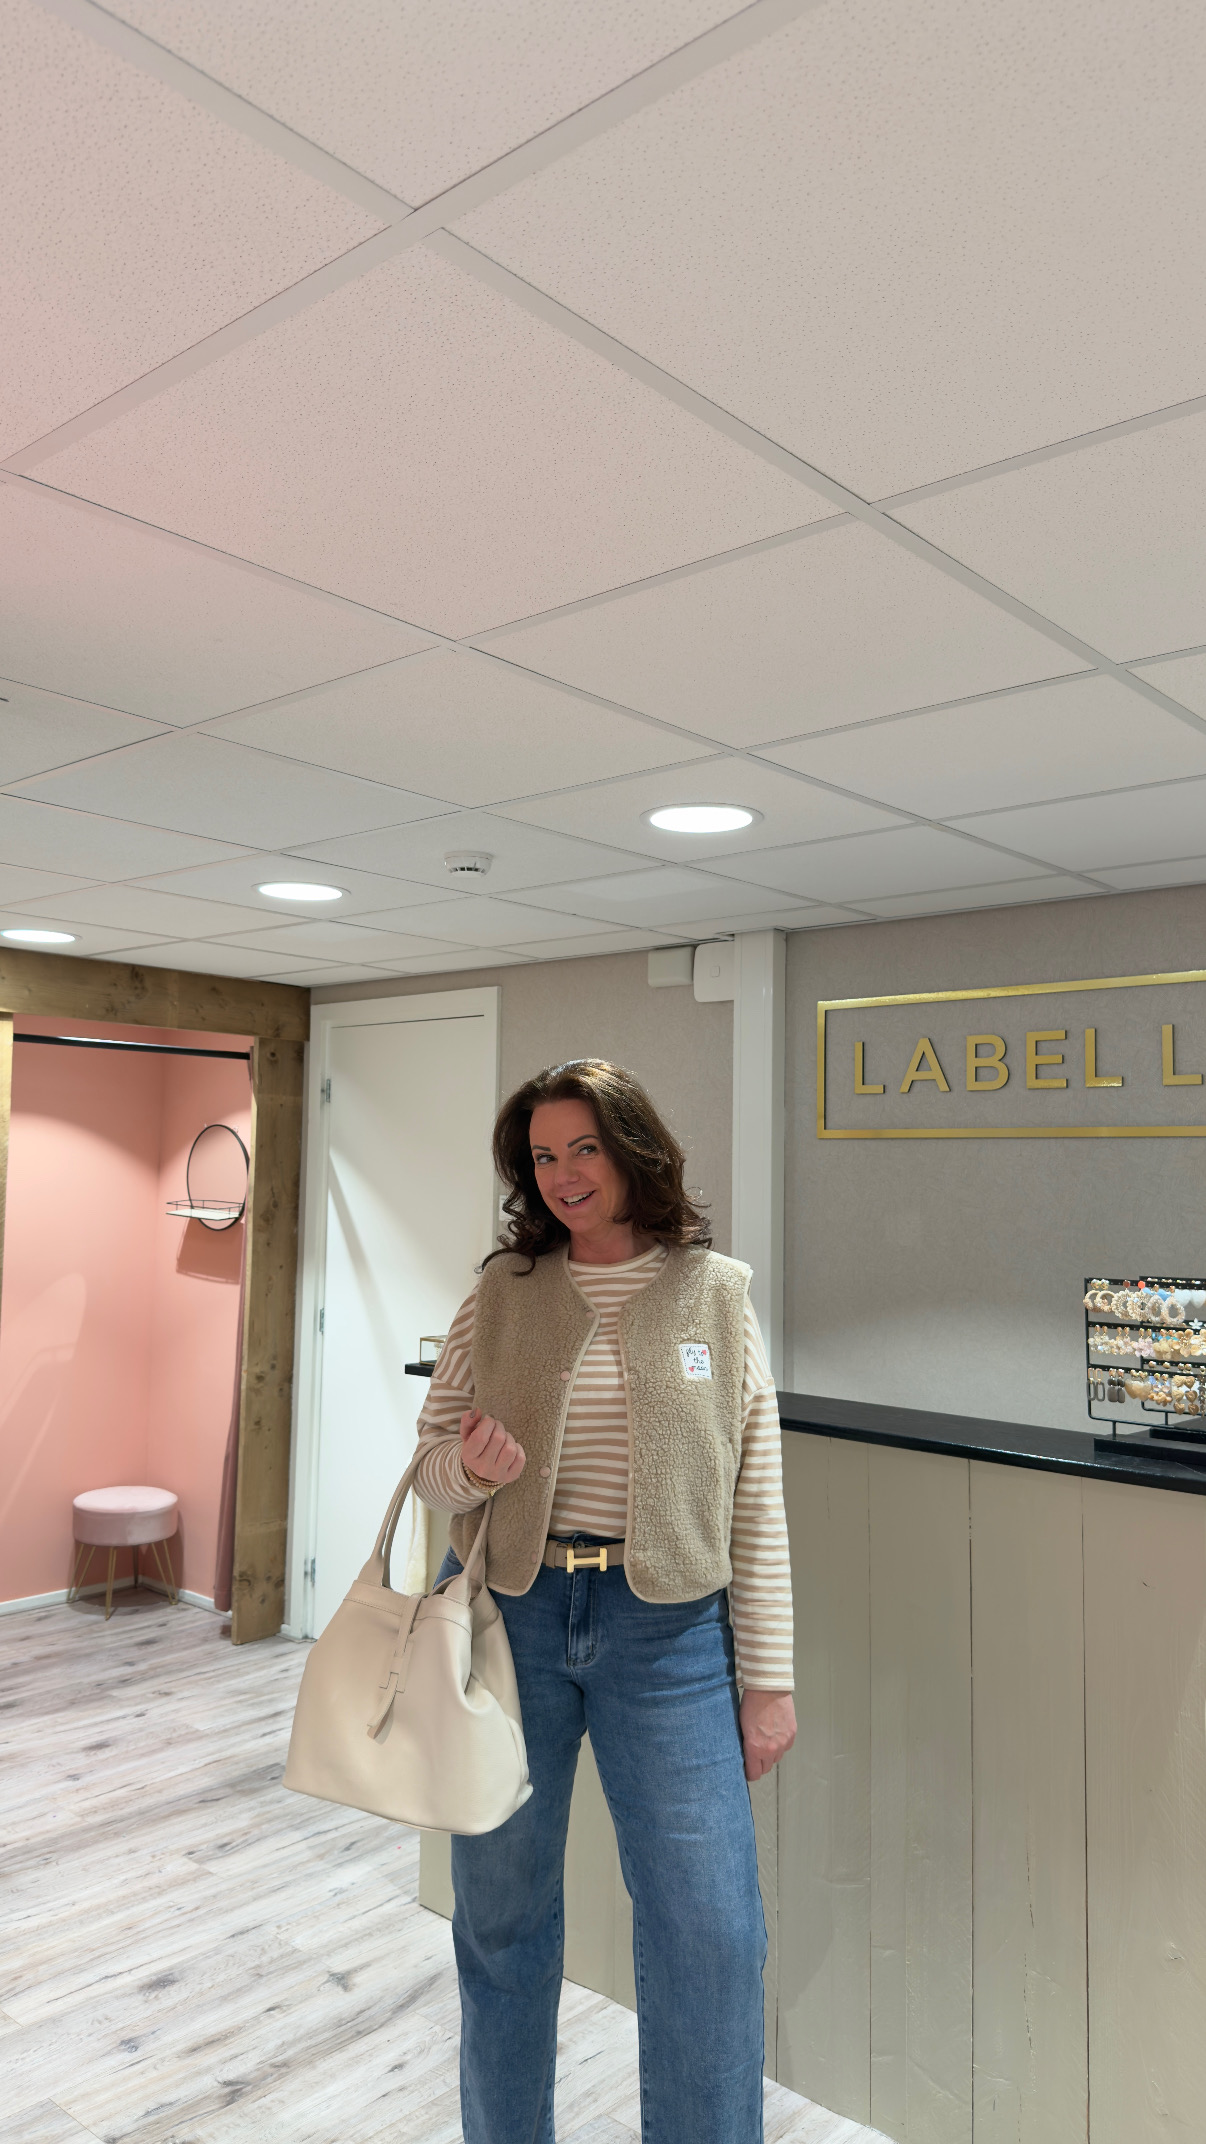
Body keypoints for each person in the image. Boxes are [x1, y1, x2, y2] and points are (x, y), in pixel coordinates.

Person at [415, 1057, 796, 2144]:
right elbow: (431, 1467)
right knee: (501, 1918)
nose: (564, 1173)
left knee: (711, 1932)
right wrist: (473, 1467)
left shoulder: (715, 1293)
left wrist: (768, 1679)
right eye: (543, 1155)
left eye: (584, 1147)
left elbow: (754, 1495)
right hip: (512, 1621)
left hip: (669, 1636)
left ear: (635, 1152)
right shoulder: (501, 1291)